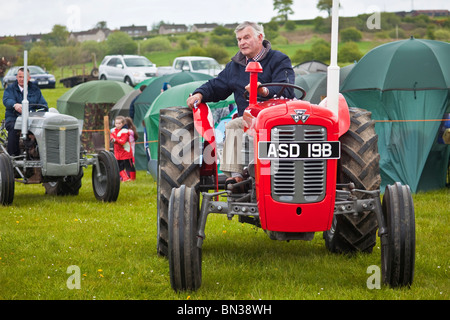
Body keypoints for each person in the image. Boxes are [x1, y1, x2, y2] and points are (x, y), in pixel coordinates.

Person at [186, 21, 295, 189]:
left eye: (246, 37)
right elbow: (217, 85)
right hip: (249, 120)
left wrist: (263, 91)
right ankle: (236, 177)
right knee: (234, 124)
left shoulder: (279, 60)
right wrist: (200, 93)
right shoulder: (235, 66)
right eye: (239, 39)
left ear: (260, 38)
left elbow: (286, 87)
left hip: (277, 118)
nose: (242, 42)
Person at [3, 67, 48, 156]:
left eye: (24, 77)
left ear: (29, 78)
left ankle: (43, 154)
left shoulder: (35, 90)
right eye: (19, 77)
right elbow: (6, 100)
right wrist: (15, 105)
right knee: (13, 127)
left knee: (45, 129)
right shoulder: (10, 89)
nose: (21, 79)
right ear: (16, 77)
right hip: (14, 117)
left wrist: (33, 112)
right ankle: (13, 157)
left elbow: (44, 106)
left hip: (33, 119)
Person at [110, 116, 134, 182]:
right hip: (118, 153)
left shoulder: (125, 132)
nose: (117, 125)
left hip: (126, 152)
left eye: (119, 123)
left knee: (129, 166)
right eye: (116, 123)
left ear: (123, 124)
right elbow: (112, 137)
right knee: (119, 166)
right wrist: (112, 138)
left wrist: (115, 140)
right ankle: (125, 178)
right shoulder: (114, 131)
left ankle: (132, 178)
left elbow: (123, 141)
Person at [125, 116, 138, 180]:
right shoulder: (130, 131)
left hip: (130, 151)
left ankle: (132, 177)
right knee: (128, 164)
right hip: (129, 151)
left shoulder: (129, 132)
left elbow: (127, 140)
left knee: (130, 164)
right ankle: (128, 176)